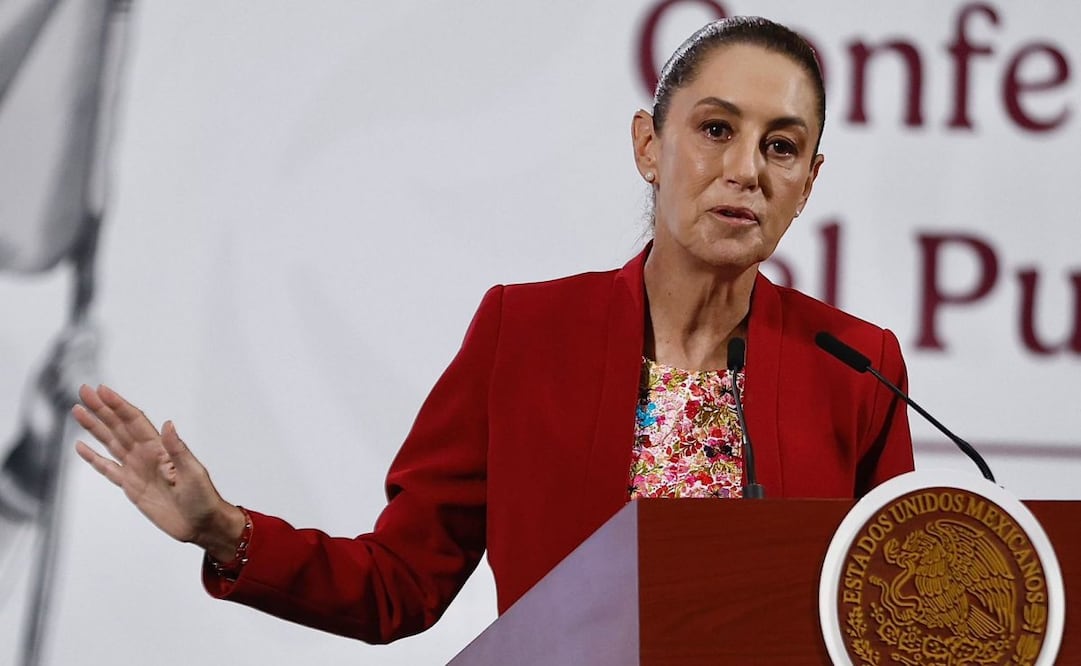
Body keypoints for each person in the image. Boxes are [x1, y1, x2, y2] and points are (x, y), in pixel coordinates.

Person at [73, 16, 913, 646]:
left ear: (807, 183)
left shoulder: (856, 368)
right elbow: (400, 584)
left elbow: (887, 623)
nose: (744, 171)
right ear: (649, 146)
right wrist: (226, 532)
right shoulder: (528, 332)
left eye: (781, 147)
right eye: (716, 130)